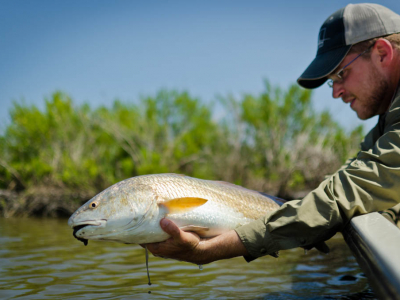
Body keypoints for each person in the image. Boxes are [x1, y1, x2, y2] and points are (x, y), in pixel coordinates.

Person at [144, 3, 400, 264]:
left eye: (341, 74)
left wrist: (212, 250)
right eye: (332, 81)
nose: (336, 92)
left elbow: (347, 193)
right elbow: (351, 180)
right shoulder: (386, 122)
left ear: (382, 53)